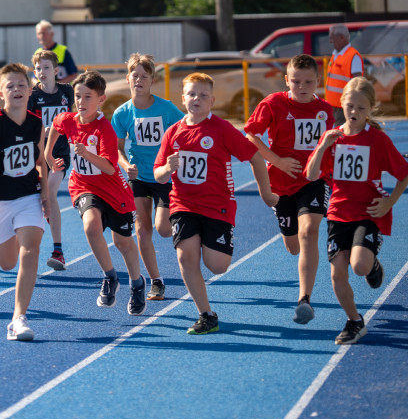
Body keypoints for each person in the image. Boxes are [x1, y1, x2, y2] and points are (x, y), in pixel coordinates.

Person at [153, 72, 278, 334]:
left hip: (217, 205)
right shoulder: (173, 133)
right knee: (186, 256)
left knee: (217, 266)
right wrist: (167, 167)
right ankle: (206, 314)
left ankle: (214, 250)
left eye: (202, 95)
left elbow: (255, 157)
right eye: (191, 94)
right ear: (183, 98)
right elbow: (157, 174)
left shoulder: (222, 129)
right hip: (183, 203)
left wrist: (265, 193)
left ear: (211, 100)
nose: (196, 98)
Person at [306, 77, 408, 345]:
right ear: (342, 104)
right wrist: (323, 146)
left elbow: (404, 173)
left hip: (368, 212)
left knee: (359, 266)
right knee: (337, 274)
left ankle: (372, 262)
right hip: (338, 213)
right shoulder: (333, 138)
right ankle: (354, 321)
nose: (354, 113)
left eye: (361, 108)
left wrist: (390, 201)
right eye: (350, 106)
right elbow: (311, 173)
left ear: (370, 109)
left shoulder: (377, 140)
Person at [244, 54, 334, 324]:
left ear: (318, 81)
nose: (302, 87)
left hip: (314, 181)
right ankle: (287, 222)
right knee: (293, 247)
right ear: (287, 80)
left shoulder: (326, 110)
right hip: (281, 183)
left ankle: (304, 299)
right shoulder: (273, 104)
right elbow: (251, 135)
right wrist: (277, 161)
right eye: (296, 81)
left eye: (308, 81)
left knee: (310, 232)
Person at [47, 70, 144, 315]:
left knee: (123, 243)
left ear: (100, 99)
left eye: (87, 97)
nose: (81, 102)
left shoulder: (104, 129)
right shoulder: (67, 119)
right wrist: (49, 155)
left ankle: (136, 283)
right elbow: (54, 128)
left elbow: (111, 168)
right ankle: (110, 277)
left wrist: (88, 154)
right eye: (78, 96)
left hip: (113, 191)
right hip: (83, 186)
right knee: (91, 227)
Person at [0, 63, 48, 341]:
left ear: (30, 90)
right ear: (0, 93)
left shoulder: (36, 123)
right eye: (10, 86)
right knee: (7, 263)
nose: (16, 89)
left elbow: (40, 162)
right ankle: (14, 232)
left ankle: (18, 318)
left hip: (28, 196)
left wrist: (45, 194)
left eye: (21, 85)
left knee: (30, 251)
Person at [111, 53, 184, 301]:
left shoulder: (167, 109)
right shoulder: (122, 114)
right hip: (139, 176)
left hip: (164, 176)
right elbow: (117, 149)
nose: (139, 80)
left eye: (145, 76)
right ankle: (156, 282)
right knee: (142, 231)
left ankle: (190, 232)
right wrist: (124, 165)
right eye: (135, 76)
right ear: (128, 78)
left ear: (152, 80)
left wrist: (175, 159)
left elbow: (185, 134)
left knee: (163, 228)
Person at [29, 49, 75, 272]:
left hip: (59, 155)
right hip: (37, 157)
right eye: (38, 68)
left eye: (46, 67)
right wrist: (41, 131)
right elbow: (25, 125)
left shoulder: (67, 91)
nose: (41, 72)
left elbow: (78, 114)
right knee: (41, 200)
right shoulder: (32, 96)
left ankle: (58, 251)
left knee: (52, 192)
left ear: (56, 71)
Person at [325, 23, 364, 126]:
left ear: (342, 37)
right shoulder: (336, 54)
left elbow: (358, 82)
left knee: (341, 135)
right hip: (334, 106)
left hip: (344, 106)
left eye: (332, 38)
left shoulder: (352, 56)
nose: (330, 41)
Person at [35, 20, 79, 84]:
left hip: (62, 92)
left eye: (44, 33)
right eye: (39, 33)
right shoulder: (37, 53)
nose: (41, 36)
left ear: (52, 34)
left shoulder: (63, 51)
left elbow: (73, 74)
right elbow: (34, 77)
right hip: (44, 92)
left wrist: (55, 86)